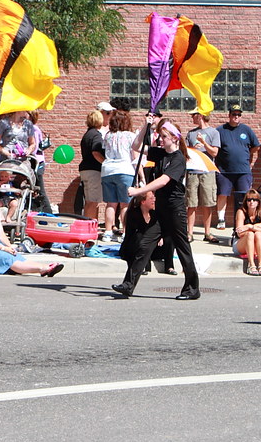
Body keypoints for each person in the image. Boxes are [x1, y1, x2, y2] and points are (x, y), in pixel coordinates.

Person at [117, 121, 201, 300]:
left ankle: (192, 289)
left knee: (182, 248)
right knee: (145, 245)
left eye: (163, 137)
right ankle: (128, 285)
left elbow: (163, 180)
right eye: (159, 136)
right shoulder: (160, 153)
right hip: (161, 209)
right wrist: (145, 126)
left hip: (175, 210)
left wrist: (139, 191)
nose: (160, 140)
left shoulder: (178, 159)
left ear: (174, 138)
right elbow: (135, 146)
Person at [0, 182, 65, 277]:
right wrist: (3, 248)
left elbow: (0, 234)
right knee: (7, 258)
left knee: (16, 256)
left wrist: (9, 247)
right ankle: (42, 269)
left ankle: (46, 267)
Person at [214, 104, 260, 229]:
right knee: (222, 194)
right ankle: (221, 219)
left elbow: (255, 146)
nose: (236, 117)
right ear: (229, 115)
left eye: (239, 114)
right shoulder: (220, 130)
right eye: (234, 114)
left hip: (243, 171)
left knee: (246, 196)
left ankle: (245, 219)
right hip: (224, 171)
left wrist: (246, 155)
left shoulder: (246, 129)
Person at [113, 192, 163, 292]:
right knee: (139, 246)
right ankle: (128, 286)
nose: (154, 200)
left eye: (154, 197)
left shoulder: (155, 213)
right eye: (151, 198)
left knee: (168, 241)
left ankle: (128, 286)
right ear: (143, 202)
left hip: (152, 247)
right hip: (135, 246)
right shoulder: (133, 213)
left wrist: (160, 238)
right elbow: (136, 234)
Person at [101, 109, 137, 240]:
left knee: (111, 204)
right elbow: (134, 155)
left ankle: (108, 231)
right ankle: (126, 231)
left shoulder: (108, 135)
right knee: (125, 204)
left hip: (108, 170)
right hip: (125, 169)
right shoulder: (130, 136)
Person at [185, 109, 220, 243]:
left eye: (193, 115)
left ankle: (207, 232)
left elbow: (215, 153)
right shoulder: (191, 133)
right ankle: (190, 232)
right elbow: (187, 152)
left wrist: (204, 143)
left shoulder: (213, 132)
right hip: (193, 171)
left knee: (207, 203)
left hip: (207, 172)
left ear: (199, 116)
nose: (192, 118)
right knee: (191, 203)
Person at [233, 190, 261, 276]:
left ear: (258, 202)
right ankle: (251, 265)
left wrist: (250, 227)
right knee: (250, 234)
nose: (251, 202)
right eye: (249, 200)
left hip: (256, 242)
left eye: (254, 200)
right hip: (240, 244)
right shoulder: (241, 212)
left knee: (258, 234)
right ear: (246, 201)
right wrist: (258, 227)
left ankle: (260, 265)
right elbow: (239, 233)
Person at [78, 110, 105, 220]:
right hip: (94, 170)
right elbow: (95, 152)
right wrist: (105, 163)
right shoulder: (96, 135)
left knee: (89, 200)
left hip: (84, 169)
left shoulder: (87, 134)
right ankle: (88, 225)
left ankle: (89, 223)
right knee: (93, 201)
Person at [27, 110, 53, 213]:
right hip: (35, 161)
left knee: (40, 187)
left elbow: (35, 146)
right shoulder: (32, 128)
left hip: (37, 162)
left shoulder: (33, 129)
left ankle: (48, 211)